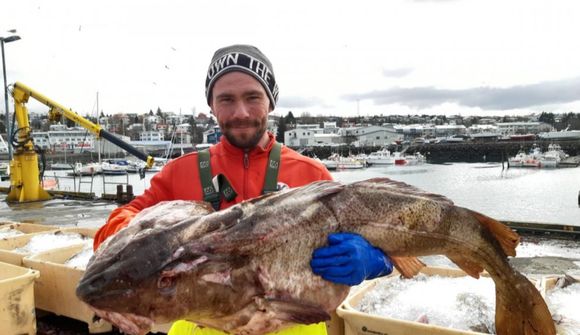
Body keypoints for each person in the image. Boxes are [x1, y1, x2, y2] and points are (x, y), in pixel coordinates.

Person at [93, 44, 393, 335]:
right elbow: (122, 220)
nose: (240, 112)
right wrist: (128, 238)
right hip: (201, 327)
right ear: (211, 106)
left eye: (253, 97)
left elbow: (375, 234)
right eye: (226, 99)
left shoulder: (311, 174)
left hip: (294, 324)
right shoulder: (180, 173)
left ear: (270, 101)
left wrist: (375, 262)